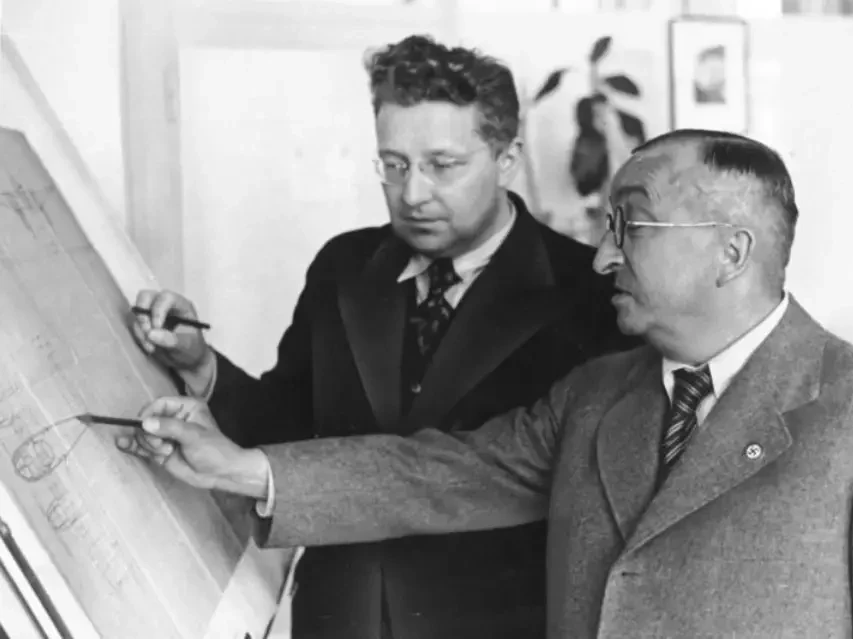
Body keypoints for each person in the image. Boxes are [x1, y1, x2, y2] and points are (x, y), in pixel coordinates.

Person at [120, 129, 853, 638]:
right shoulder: (596, 394)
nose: (603, 256)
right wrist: (242, 467)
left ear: (731, 251)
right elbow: (437, 473)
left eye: (630, 225)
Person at [127, 34, 637, 639]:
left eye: (443, 165)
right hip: (337, 620)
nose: (413, 193)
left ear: (507, 159)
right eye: (393, 165)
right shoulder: (343, 267)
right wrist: (201, 365)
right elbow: (285, 428)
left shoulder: (590, 294)